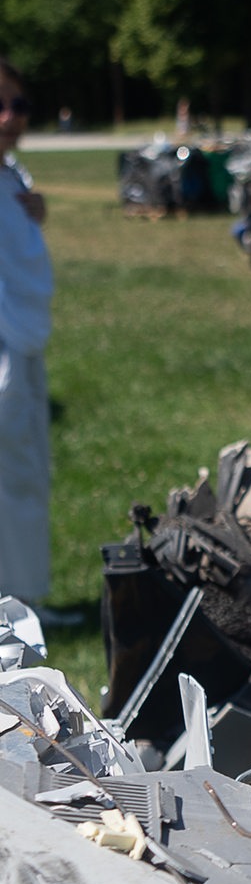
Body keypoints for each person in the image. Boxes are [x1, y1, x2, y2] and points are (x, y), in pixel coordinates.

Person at [0, 58, 65, 623]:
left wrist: (34, 208)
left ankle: (20, 598)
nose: (9, 117)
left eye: (18, 104)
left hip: (21, 340)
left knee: (25, 467)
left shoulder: (12, 174)